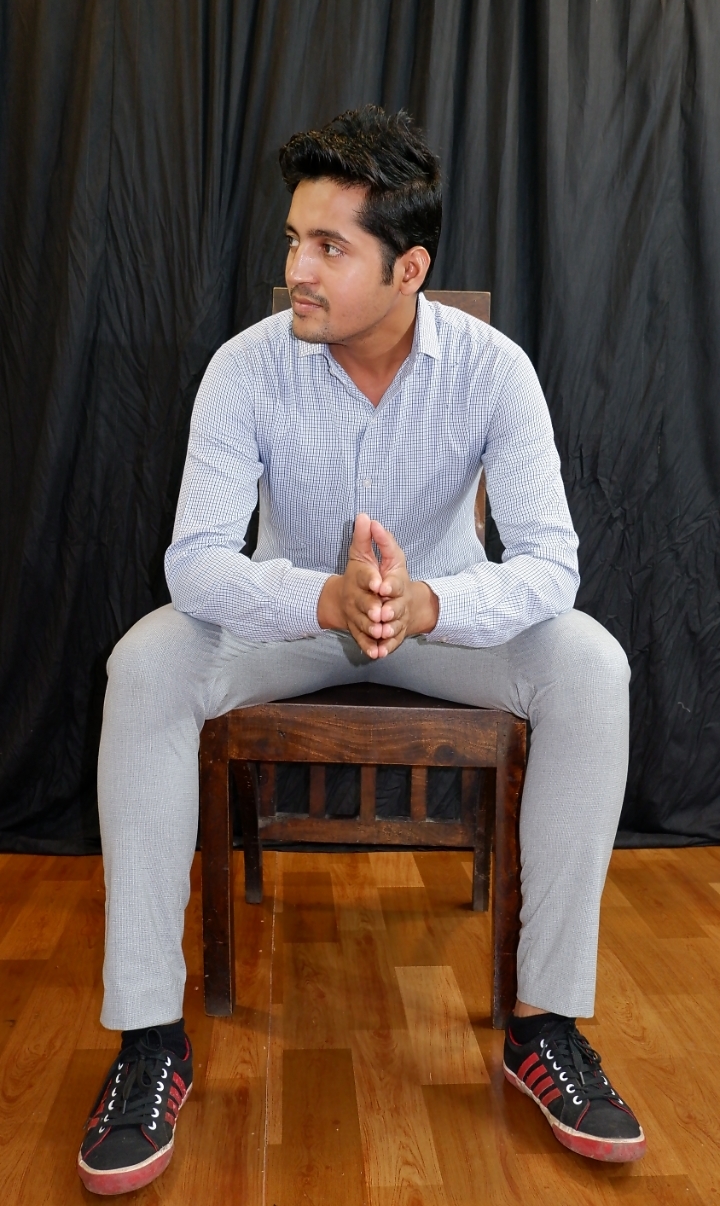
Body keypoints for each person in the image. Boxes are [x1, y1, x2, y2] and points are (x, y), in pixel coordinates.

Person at [77, 105, 645, 1195]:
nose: (298, 268)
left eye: (330, 247)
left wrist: (426, 604)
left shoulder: (494, 372)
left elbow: (550, 565)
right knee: (146, 662)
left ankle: (545, 1027)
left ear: (408, 269)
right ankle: (149, 1040)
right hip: (293, 622)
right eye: (295, 239)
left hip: (440, 626)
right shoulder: (245, 368)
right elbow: (196, 561)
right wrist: (322, 597)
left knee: (589, 663)